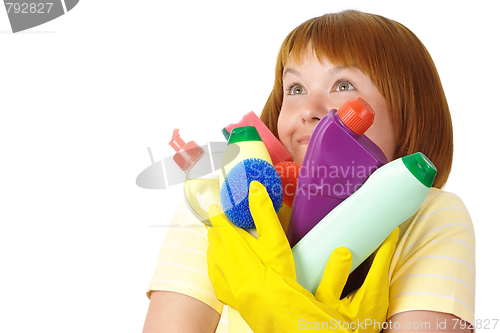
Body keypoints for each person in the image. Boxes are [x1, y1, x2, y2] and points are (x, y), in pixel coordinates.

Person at [142, 10, 475, 333]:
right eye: (296, 89)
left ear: (409, 110)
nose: (309, 110)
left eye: (343, 85)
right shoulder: (219, 200)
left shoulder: (431, 216)